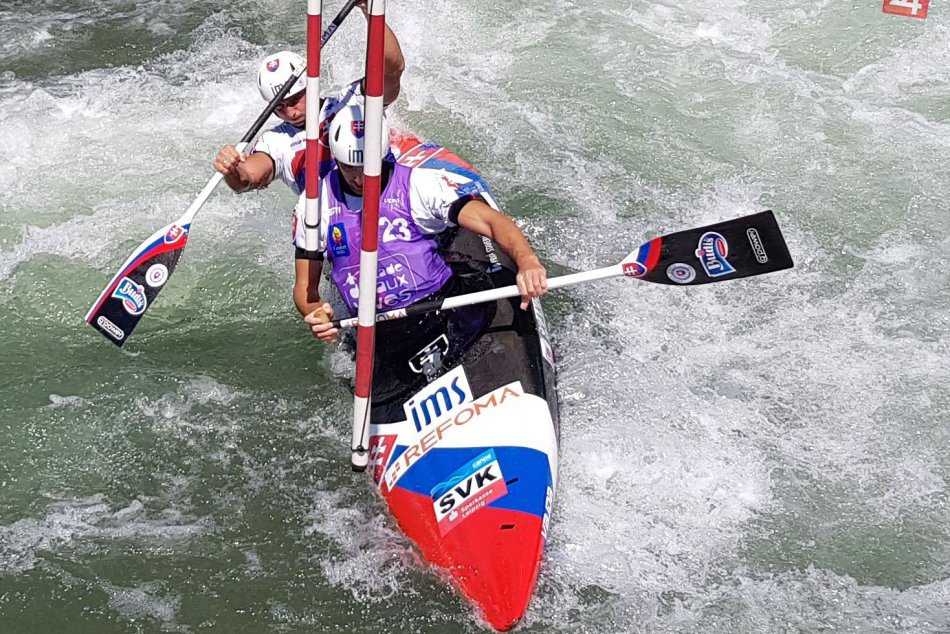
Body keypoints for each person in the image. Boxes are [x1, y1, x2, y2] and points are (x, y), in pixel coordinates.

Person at [294, 104, 548, 363]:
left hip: (444, 307)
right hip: (379, 333)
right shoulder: (314, 205)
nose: (359, 179)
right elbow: (305, 290)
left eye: (367, 166)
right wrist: (316, 313)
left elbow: (492, 221)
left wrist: (527, 260)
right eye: (349, 167)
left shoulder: (418, 184)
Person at [211, 1, 405, 194]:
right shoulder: (275, 142)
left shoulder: (350, 103)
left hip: (387, 199)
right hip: (327, 211)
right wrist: (231, 168)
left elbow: (393, 69)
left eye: (294, 100)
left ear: (310, 86)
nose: (291, 113)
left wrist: (369, 10)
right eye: (279, 107)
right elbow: (246, 179)